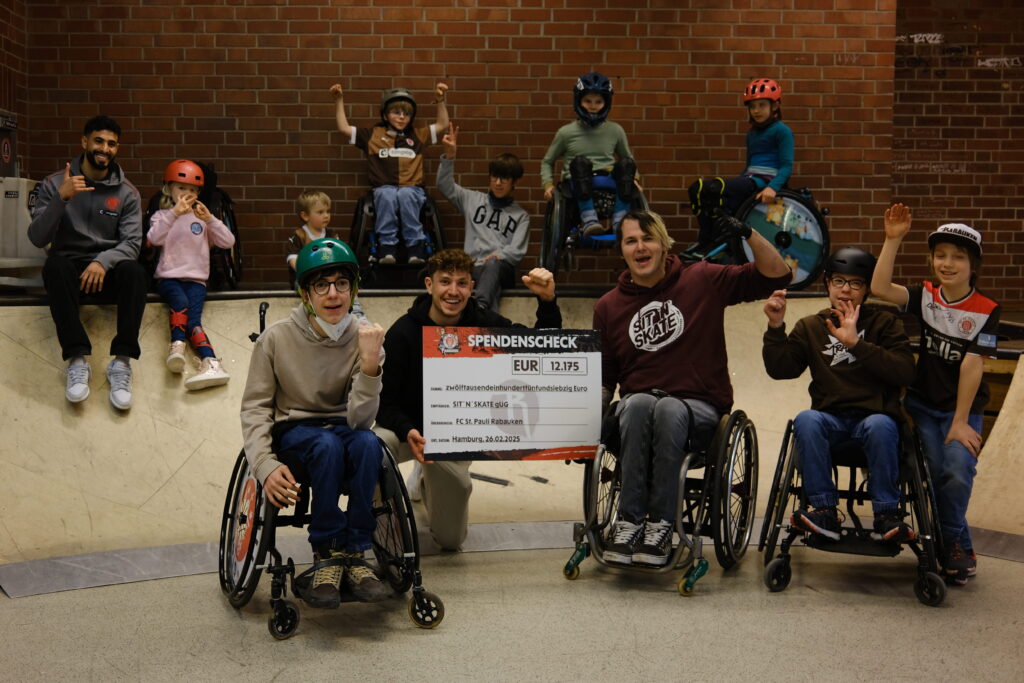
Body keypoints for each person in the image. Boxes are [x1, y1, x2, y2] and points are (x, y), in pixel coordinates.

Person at [595, 209, 790, 567]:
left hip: (697, 408)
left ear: (664, 243)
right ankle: (628, 524)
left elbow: (776, 274)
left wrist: (748, 232)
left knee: (667, 408)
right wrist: (585, 422)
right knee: (638, 404)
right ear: (622, 250)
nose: (641, 247)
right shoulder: (608, 306)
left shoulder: (701, 279)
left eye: (648, 238)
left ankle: (660, 528)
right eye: (631, 241)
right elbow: (606, 378)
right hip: (637, 409)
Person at [374, 249, 561, 551]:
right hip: (406, 430)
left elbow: (541, 349)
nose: (453, 291)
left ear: (472, 288)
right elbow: (385, 404)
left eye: (462, 283)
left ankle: (427, 478)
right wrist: (408, 428)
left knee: (450, 541)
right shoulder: (402, 333)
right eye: (445, 282)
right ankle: (384, 523)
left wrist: (547, 301)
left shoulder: (483, 324)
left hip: (452, 436)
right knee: (373, 448)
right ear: (428, 285)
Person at [240, 237, 390, 607]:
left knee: (370, 443)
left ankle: (355, 551)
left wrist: (371, 367)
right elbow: (256, 408)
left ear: (353, 290)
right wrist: (263, 463)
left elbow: (360, 420)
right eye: (321, 285)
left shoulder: (365, 337)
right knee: (325, 445)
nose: (333, 293)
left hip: (345, 428)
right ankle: (326, 550)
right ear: (306, 294)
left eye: (342, 283)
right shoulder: (276, 338)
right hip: (296, 433)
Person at [871, 203, 1000, 584]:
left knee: (957, 472)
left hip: (963, 409)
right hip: (923, 407)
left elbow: (972, 364)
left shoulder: (987, 309)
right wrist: (892, 240)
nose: (947, 263)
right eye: (940, 256)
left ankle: (952, 542)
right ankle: (956, 545)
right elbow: (879, 288)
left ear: (972, 265)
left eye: (957, 258)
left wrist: (960, 422)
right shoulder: (926, 295)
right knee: (932, 472)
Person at [762, 248, 917, 543]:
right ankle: (823, 510)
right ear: (827, 284)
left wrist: (856, 344)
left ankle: (887, 514)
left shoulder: (884, 324)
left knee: (881, 425)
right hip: (830, 421)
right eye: (838, 281)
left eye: (856, 283)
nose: (846, 289)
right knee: (806, 419)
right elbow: (781, 369)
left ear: (867, 288)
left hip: (874, 421)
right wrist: (775, 327)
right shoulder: (811, 326)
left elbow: (905, 373)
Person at [27, 115, 147, 411]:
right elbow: (37, 238)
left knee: (135, 271)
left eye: (112, 144)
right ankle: (77, 360)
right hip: (69, 276)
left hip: (106, 274)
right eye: (98, 141)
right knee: (54, 266)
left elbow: (132, 243)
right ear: (84, 142)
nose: (104, 149)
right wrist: (61, 199)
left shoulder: (128, 193)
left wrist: (103, 262)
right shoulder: (54, 183)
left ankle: (121, 362)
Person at [330, 82, 450, 264]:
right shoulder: (373, 134)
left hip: (412, 188)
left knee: (406, 195)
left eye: (407, 114)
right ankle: (387, 249)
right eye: (396, 112)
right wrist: (339, 100)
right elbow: (344, 128)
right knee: (387, 195)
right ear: (385, 114)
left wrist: (440, 100)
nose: (402, 117)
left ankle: (415, 249)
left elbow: (442, 125)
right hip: (383, 188)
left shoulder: (418, 135)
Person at [148, 159, 235, 391]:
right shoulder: (161, 216)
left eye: (193, 190)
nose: (188, 193)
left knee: (193, 321)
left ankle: (211, 362)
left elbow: (228, 241)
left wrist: (210, 219)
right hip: (169, 278)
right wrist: (174, 213)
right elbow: (154, 238)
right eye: (182, 188)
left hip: (197, 280)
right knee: (180, 302)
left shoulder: (202, 218)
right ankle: (176, 345)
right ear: (169, 189)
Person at [688, 78, 794, 246]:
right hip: (749, 179)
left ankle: (709, 242)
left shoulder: (782, 131)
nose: (756, 111)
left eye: (762, 105)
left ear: (774, 106)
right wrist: (737, 184)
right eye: (752, 106)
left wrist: (772, 187)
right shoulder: (751, 134)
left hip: (764, 182)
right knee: (698, 190)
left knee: (714, 188)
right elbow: (748, 166)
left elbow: (787, 165)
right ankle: (711, 240)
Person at [437, 124, 528, 313]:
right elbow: (445, 186)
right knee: (486, 287)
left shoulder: (521, 216)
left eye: (504, 178)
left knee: (493, 266)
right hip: (471, 268)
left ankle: (479, 307)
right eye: (495, 176)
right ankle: (486, 318)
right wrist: (449, 157)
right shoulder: (472, 200)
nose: (498, 182)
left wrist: (499, 256)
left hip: (501, 269)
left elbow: (516, 252)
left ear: (514, 182)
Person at [540, 72, 638, 237]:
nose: (593, 106)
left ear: (606, 103)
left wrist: (635, 179)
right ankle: (589, 220)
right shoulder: (566, 132)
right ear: (579, 101)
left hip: (608, 179)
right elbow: (547, 161)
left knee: (627, 164)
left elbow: (627, 157)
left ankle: (620, 222)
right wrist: (548, 185)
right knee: (580, 164)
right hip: (577, 180)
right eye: (588, 101)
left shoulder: (615, 130)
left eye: (598, 102)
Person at [285, 189, 366, 318]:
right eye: (320, 212)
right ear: (305, 216)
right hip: (308, 278)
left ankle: (357, 315)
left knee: (345, 285)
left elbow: (339, 256)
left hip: (332, 275)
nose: (326, 215)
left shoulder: (331, 235)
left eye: (328, 211)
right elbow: (294, 261)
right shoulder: (299, 236)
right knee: (315, 292)